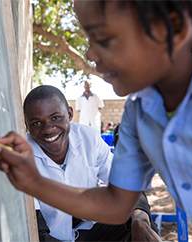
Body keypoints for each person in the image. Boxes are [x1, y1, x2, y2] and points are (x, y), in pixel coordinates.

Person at [0, 1, 192, 241]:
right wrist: (33, 181)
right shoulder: (138, 115)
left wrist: (140, 219)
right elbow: (117, 202)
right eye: (88, 39)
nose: (89, 54)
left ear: (173, 27)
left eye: (103, 38)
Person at [23, 85, 159, 241]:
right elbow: (37, 231)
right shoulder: (22, 159)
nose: (48, 129)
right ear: (27, 126)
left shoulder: (90, 139)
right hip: (52, 236)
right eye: (36, 123)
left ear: (69, 114)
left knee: (139, 223)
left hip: (91, 230)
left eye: (55, 118)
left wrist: (140, 221)